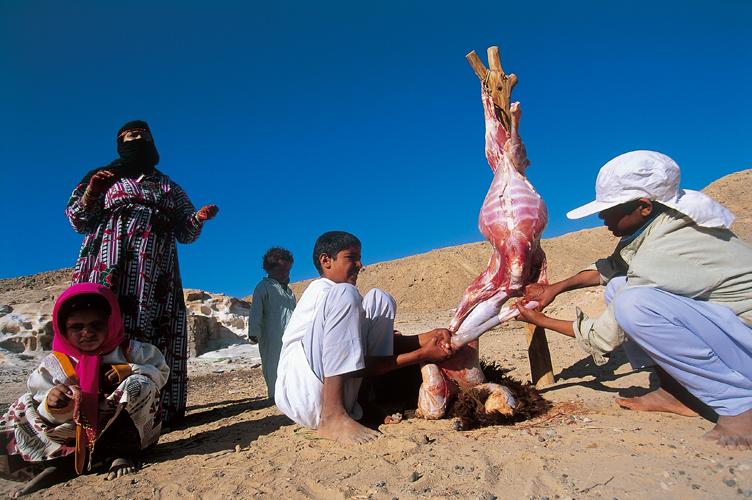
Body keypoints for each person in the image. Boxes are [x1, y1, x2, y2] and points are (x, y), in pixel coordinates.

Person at [515, 150, 752, 450]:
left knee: (633, 305)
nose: (602, 217)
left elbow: (604, 337)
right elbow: (612, 268)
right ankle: (676, 391)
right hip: (734, 332)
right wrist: (555, 288)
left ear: (643, 206)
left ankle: (741, 404)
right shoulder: (660, 226)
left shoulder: (663, 251)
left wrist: (541, 320)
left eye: (609, 208)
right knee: (619, 287)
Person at [65, 120, 218, 425]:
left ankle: (153, 410)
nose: (136, 139)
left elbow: (185, 231)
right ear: (120, 143)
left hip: (155, 271)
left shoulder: (167, 185)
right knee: (102, 323)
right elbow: (77, 219)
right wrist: (93, 192)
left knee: (152, 326)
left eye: (142, 136)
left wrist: (198, 218)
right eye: (130, 136)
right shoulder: (102, 176)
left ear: (151, 141)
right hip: (108, 262)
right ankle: (91, 407)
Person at [274, 231, 455, 445]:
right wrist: (420, 355)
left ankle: (363, 402)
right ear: (326, 260)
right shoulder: (325, 294)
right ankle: (332, 417)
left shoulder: (342, 298)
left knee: (380, 299)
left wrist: (428, 337)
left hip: (340, 394)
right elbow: (355, 364)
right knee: (346, 293)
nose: (360, 264)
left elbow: (356, 350)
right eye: (351, 257)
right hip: (305, 395)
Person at [0, 283, 169, 497]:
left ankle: (122, 453)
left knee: (139, 384)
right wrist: (54, 404)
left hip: (120, 430)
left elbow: (161, 375)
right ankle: (62, 462)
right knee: (23, 403)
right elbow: (40, 398)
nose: (87, 333)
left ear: (112, 322)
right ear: (63, 329)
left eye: (97, 325)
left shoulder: (131, 352)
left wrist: (129, 370)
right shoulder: (54, 364)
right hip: (69, 433)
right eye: (76, 327)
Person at [248, 247, 296, 399]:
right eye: (281, 269)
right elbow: (256, 310)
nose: (286, 274)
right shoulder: (263, 287)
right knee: (273, 363)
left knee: (290, 363)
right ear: (268, 268)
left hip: (289, 334)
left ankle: (290, 394)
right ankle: (275, 395)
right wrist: (254, 331)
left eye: (288, 270)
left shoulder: (289, 292)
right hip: (271, 336)